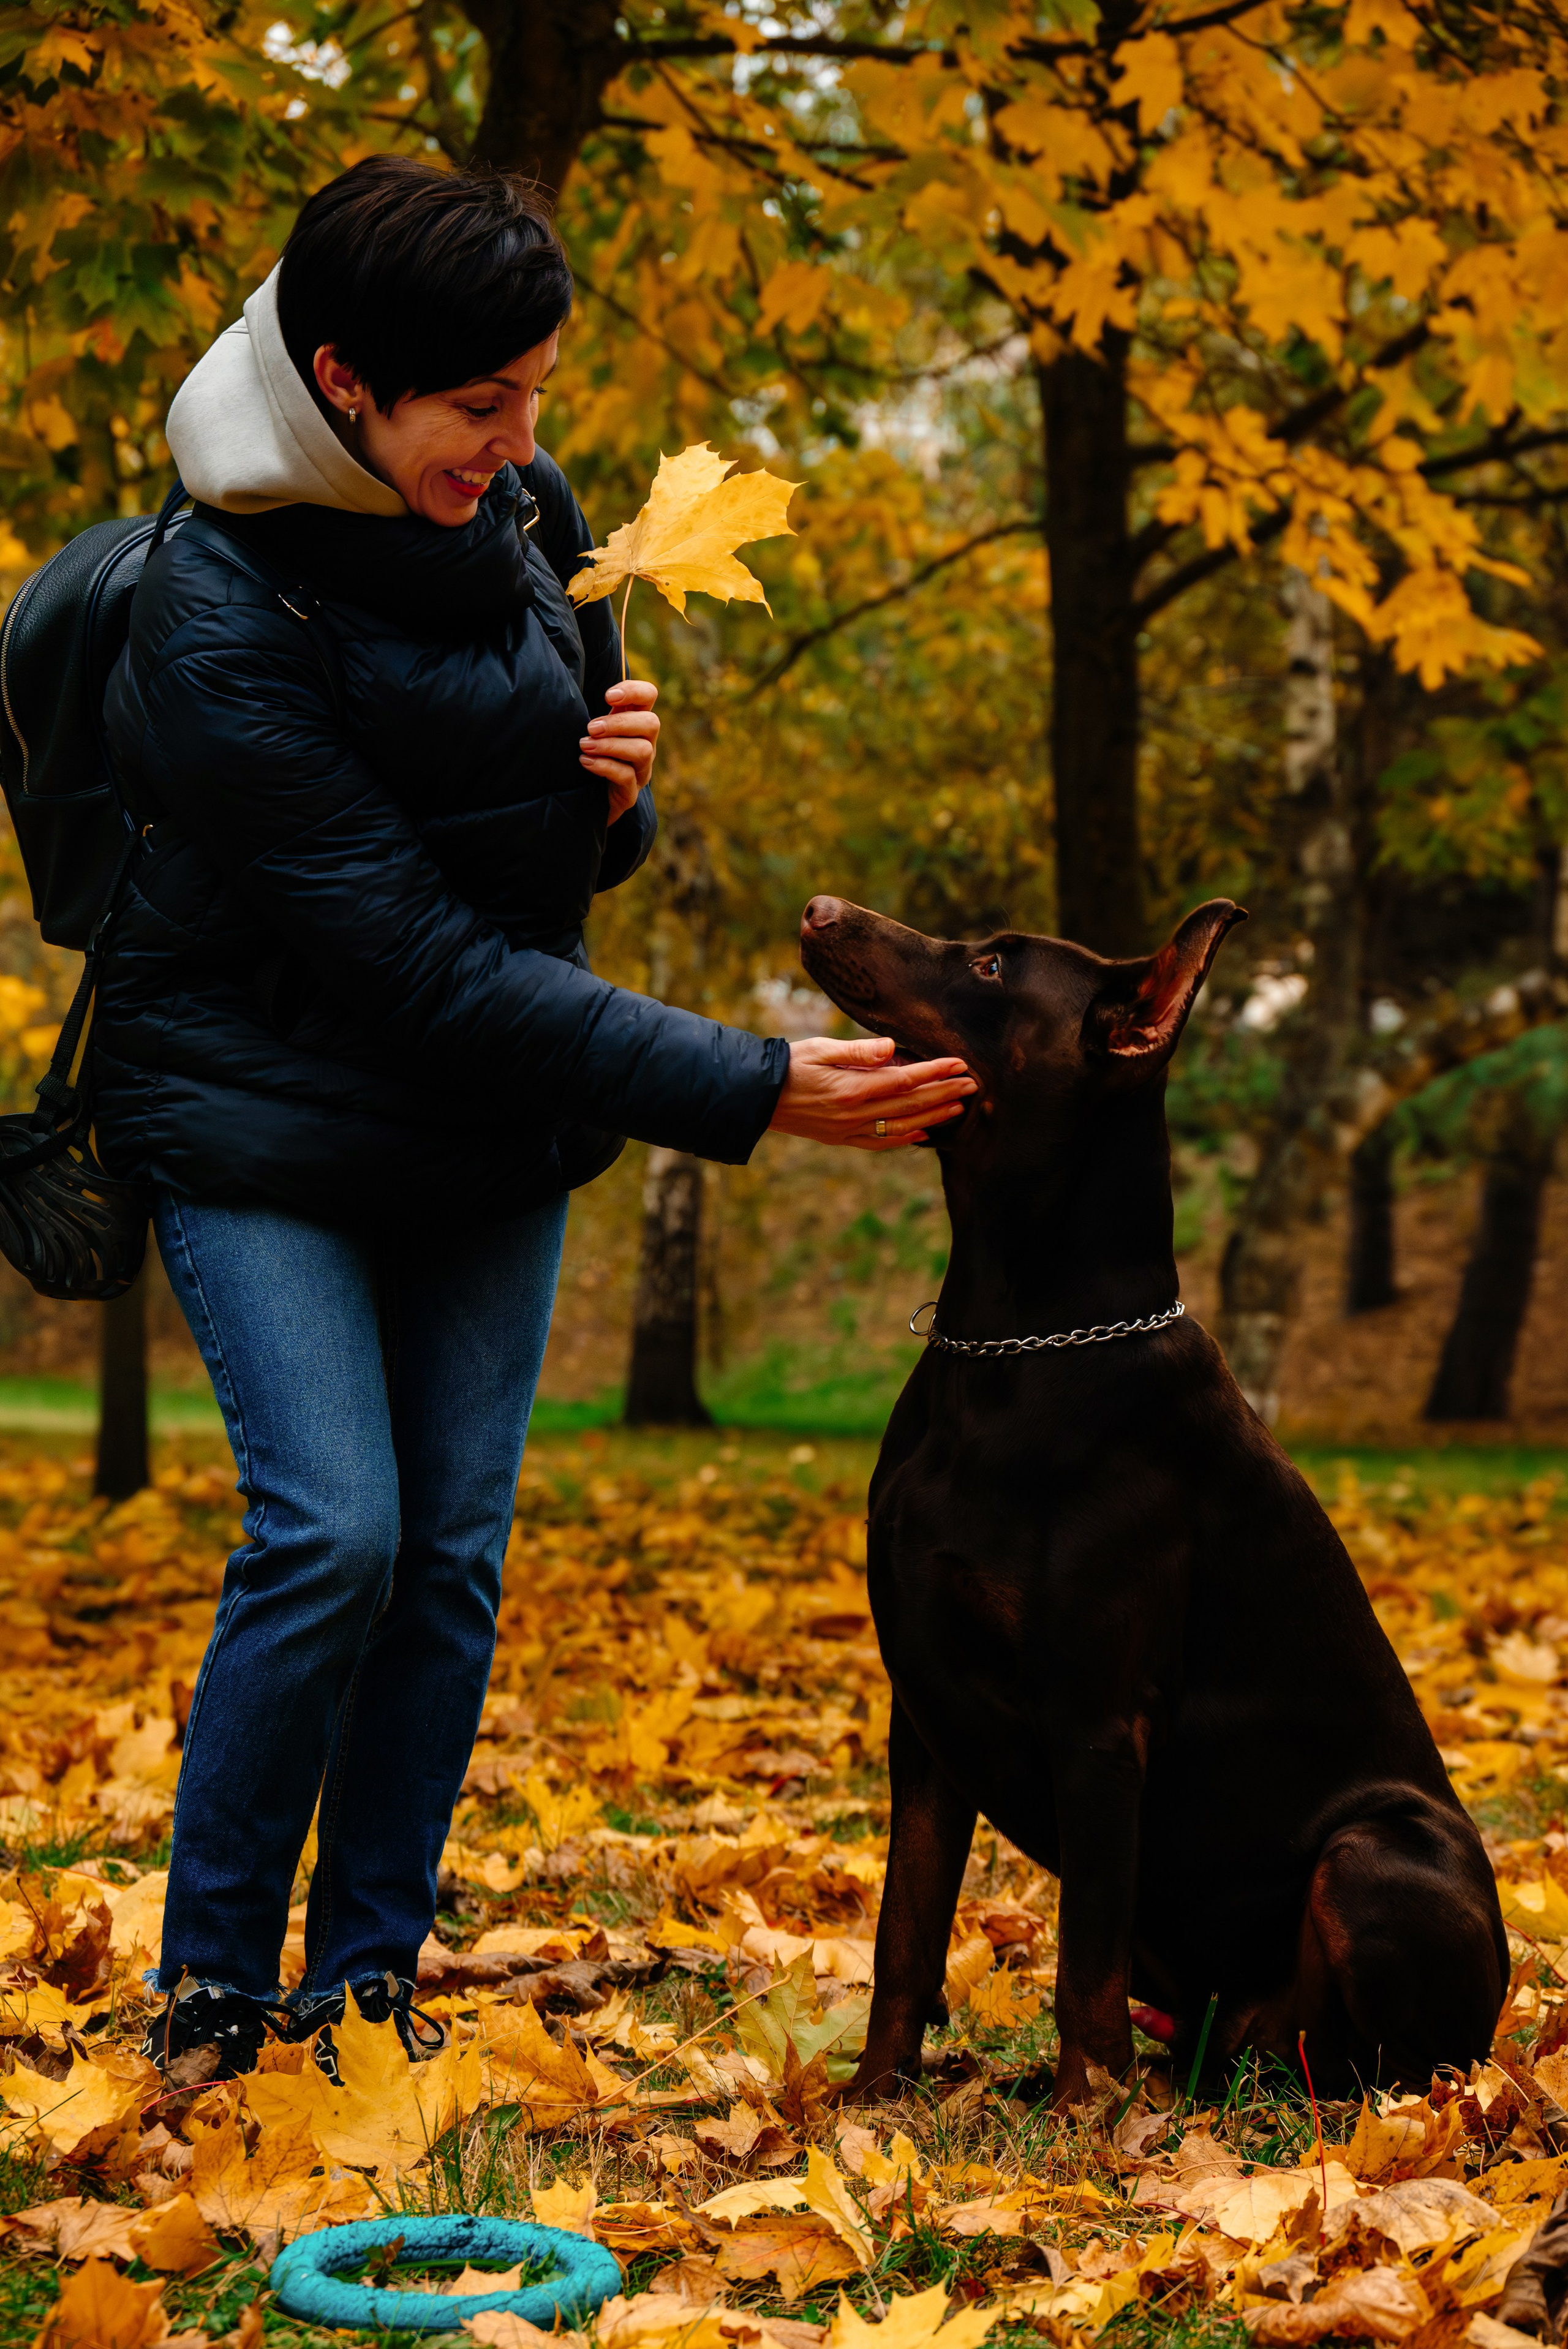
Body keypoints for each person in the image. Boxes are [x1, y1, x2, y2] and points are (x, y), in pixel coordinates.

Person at [98, 154, 974, 2079]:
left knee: (454, 1555)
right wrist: (751, 1089)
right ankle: (214, 1998)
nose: (519, 445)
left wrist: (620, 790)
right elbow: (407, 959)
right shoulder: (214, 610)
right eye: (476, 408)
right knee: (336, 1532)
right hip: (259, 1111)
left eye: (537, 399)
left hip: (482, 1116)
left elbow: (544, 875)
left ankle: (365, 1997)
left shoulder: (526, 511)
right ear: (342, 380)